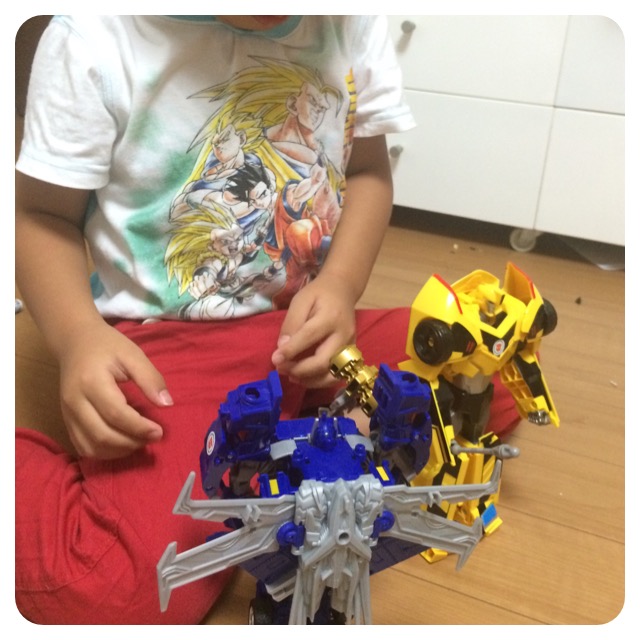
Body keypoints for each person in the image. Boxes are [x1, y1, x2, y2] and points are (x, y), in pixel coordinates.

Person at [15, 15, 518, 625]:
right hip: (171, 349)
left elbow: (365, 172)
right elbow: (41, 216)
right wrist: (77, 336)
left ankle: (294, 439)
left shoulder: (350, 23)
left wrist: (339, 285)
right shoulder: (93, 40)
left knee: (486, 368)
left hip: (307, 330)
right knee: (119, 591)